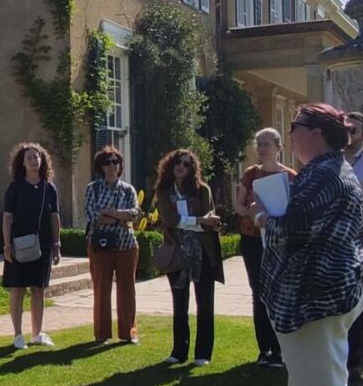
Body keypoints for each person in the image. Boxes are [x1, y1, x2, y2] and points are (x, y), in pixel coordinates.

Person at [250, 103, 363, 386]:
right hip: (314, 293)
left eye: (295, 126)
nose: (290, 132)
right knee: (305, 383)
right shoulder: (328, 171)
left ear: (315, 133)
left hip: (317, 295)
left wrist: (263, 218)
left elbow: (294, 229)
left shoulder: (324, 175)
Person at [155, 148, 225, 367]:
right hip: (177, 253)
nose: (181, 167)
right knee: (180, 304)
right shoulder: (164, 190)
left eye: (186, 164)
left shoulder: (202, 190)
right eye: (177, 162)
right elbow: (170, 220)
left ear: (192, 168)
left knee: (205, 304)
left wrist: (201, 221)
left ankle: (203, 353)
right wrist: (198, 222)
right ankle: (179, 351)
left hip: (202, 252)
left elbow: (210, 219)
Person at [233, 128, 296, 368]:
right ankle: (265, 349)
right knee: (258, 292)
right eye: (258, 143)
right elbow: (238, 206)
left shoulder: (291, 176)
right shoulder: (251, 174)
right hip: (252, 239)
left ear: (279, 147)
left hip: (279, 240)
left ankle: (281, 350)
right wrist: (251, 210)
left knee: (279, 291)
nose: (261, 148)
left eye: (266, 144)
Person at [1, 141, 62, 348]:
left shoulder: (49, 188)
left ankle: (37, 333)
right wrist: (7, 245)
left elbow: (54, 217)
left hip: (42, 245)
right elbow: (7, 217)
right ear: (23, 163)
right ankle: (18, 335)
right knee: (17, 289)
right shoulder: (15, 187)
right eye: (29, 158)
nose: (34, 161)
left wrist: (56, 244)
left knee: (38, 289)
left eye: (37, 157)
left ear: (42, 160)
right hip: (18, 244)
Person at [84, 145, 140, 345]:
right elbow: (92, 216)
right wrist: (120, 217)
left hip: (126, 244)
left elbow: (134, 213)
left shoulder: (128, 189)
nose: (111, 166)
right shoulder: (93, 188)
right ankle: (101, 334)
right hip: (100, 245)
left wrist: (111, 213)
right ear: (101, 166)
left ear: (120, 166)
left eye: (115, 162)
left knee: (127, 288)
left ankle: (128, 333)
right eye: (107, 162)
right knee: (102, 289)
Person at [343, 111, 363, 386]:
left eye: (354, 130)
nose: (349, 134)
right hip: (342, 244)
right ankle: (350, 363)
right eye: (346, 129)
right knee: (350, 308)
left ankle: (358, 365)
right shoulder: (336, 162)